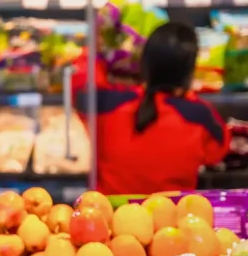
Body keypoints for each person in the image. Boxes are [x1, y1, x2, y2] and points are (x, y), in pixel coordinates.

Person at [74, 21, 230, 195]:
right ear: (190, 70)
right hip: (174, 215)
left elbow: (78, 81)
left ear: (144, 62)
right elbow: (217, 151)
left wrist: (96, 50)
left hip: (112, 215)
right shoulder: (200, 114)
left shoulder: (109, 103)